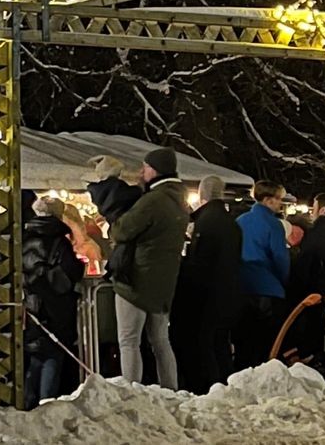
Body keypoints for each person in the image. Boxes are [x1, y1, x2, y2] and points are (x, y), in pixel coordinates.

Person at [109, 147, 189, 389]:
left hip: (137, 280)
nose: (142, 172)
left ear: (154, 170)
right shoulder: (179, 200)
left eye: (145, 167)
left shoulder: (153, 200)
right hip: (164, 282)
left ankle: (131, 391)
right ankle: (171, 388)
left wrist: (114, 223)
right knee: (161, 341)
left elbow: (122, 230)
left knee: (129, 341)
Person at [170, 175, 242, 394]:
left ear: (202, 196)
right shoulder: (232, 223)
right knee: (220, 344)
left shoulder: (206, 223)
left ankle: (210, 388)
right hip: (228, 292)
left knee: (205, 343)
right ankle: (226, 385)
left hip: (206, 294)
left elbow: (200, 263)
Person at [22, 196, 85, 408]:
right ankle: (46, 404)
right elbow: (68, 274)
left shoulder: (24, 239)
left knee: (35, 356)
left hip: (31, 306)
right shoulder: (60, 242)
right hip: (55, 308)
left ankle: (28, 403)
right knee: (52, 356)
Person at [233, 181, 291, 370]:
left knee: (244, 342)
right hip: (267, 288)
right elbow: (280, 258)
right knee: (267, 344)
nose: (280, 204)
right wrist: (282, 281)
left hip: (242, 287)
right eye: (278, 199)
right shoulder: (273, 225)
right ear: (268, 200)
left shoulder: (240, 221)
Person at [86, 155, 142, 227]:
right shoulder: (115, 185)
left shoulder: (97, 189)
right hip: (123, 220)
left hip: (113, 222)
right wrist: (139, 187)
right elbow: (130, 195)